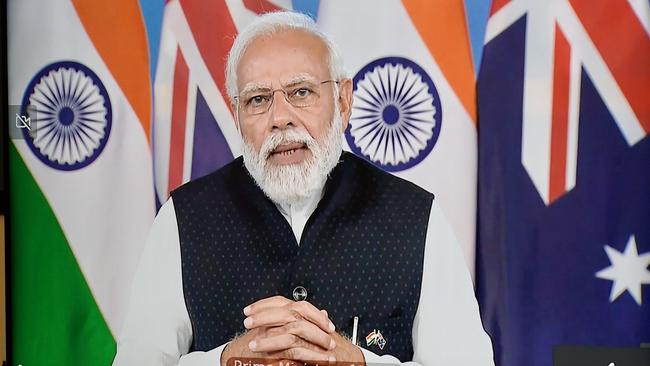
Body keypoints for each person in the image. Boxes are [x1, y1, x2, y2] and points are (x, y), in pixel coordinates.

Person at [112, 11, 494, 366]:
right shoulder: (184, 218)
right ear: (237, 115)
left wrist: (359, 362)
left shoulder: (414, 217)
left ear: (343, 101)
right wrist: (225, 359)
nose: (280, 118)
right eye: (258, 100)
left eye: (301, 92)